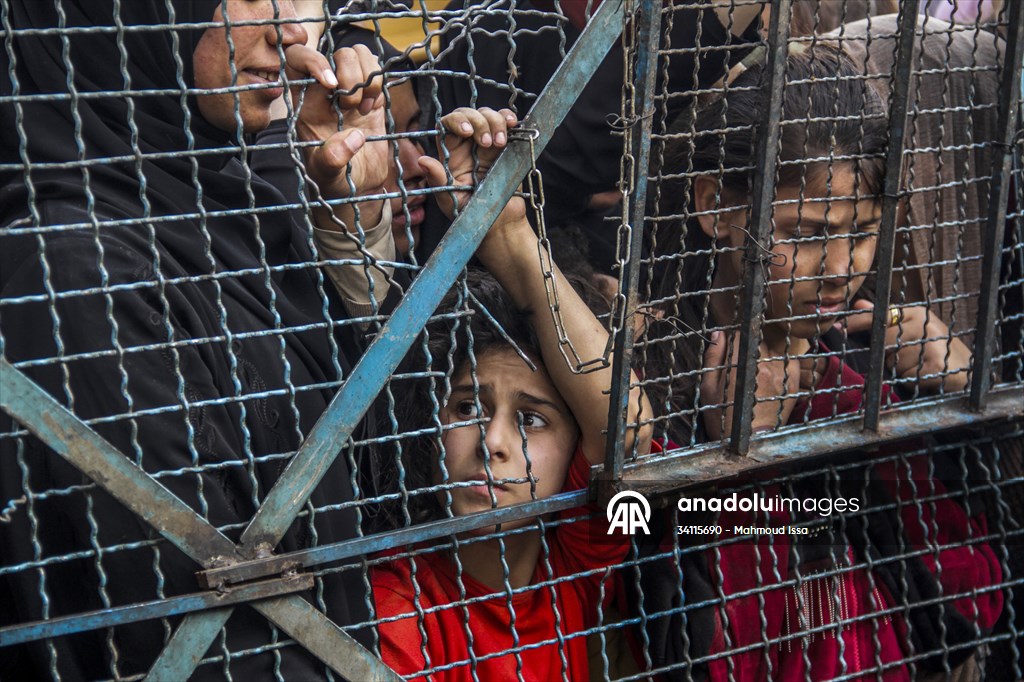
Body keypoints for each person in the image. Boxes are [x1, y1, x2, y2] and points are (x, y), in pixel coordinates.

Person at [0, 1, 394, 678]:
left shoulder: (221, 200)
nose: (293, 32)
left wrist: (349, 218)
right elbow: (207, 610)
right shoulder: (71, 263)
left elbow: (378, 469)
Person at [638, 43, 1002, 680]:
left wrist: (969, 402)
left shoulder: (874, 359)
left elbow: (972, 597)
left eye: (861, 234)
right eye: (806, 235)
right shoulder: (649, 371)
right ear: (717, 206)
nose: (841, 269)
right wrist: (734, 465)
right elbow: (626, 553)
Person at [368, 107, 654, 680]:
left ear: (578, 451)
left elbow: (626, 429)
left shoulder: (580, 554)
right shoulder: (398, 594)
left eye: (533, 419)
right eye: (467, 407)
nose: (492, 442)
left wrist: (509, 234)